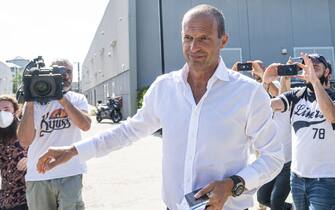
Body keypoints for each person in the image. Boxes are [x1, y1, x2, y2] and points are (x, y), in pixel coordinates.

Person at [36, 4, 284, 210]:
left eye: (204, 38)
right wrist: (74, 150)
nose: (194, 47)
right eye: (188, 38)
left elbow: (273, 157)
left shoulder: (248, 93)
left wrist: (234, 184)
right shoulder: (165, 88)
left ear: (223, 40)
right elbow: (128, 131)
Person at [262, 53, 335, 210]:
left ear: (327, 72)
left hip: (326, 179)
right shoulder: (296, 95)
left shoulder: (333, 97)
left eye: (315, 67)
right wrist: (265, 82)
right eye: (306, 67)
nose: (309, 70)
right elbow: (261, 107)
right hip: (297, 178)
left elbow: (332, 115)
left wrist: (315, 82)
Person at [17, 59, 92, 210]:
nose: (64, 76)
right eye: (59, 72)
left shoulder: (77, 99)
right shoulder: (34, 102)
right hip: (39, 175)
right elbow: (25, 141)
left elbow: (85, 126)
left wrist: (61, 99)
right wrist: (30, 101)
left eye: (68, 72)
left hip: (71, 172)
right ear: (49, 74)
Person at [0, 95, 28, 210]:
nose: (2, 113)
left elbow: (47, 151)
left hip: (27, 197)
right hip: (6, 199)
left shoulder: (27, 130)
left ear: (16, 111)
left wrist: (32, 158)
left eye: (6, 109)